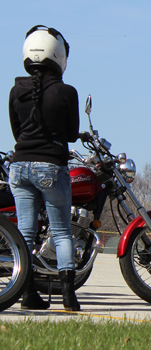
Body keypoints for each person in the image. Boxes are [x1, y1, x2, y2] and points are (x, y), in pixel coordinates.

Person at [8, 25, 80, 311]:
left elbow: (16, 132)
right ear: (58, 56)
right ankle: (68, 297)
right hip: (50, 167)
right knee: (61, 231)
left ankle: (27, 295)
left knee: (24, 232)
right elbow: (72, 133)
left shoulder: (16, 89)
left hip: (19, 166)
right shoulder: (66, 91)